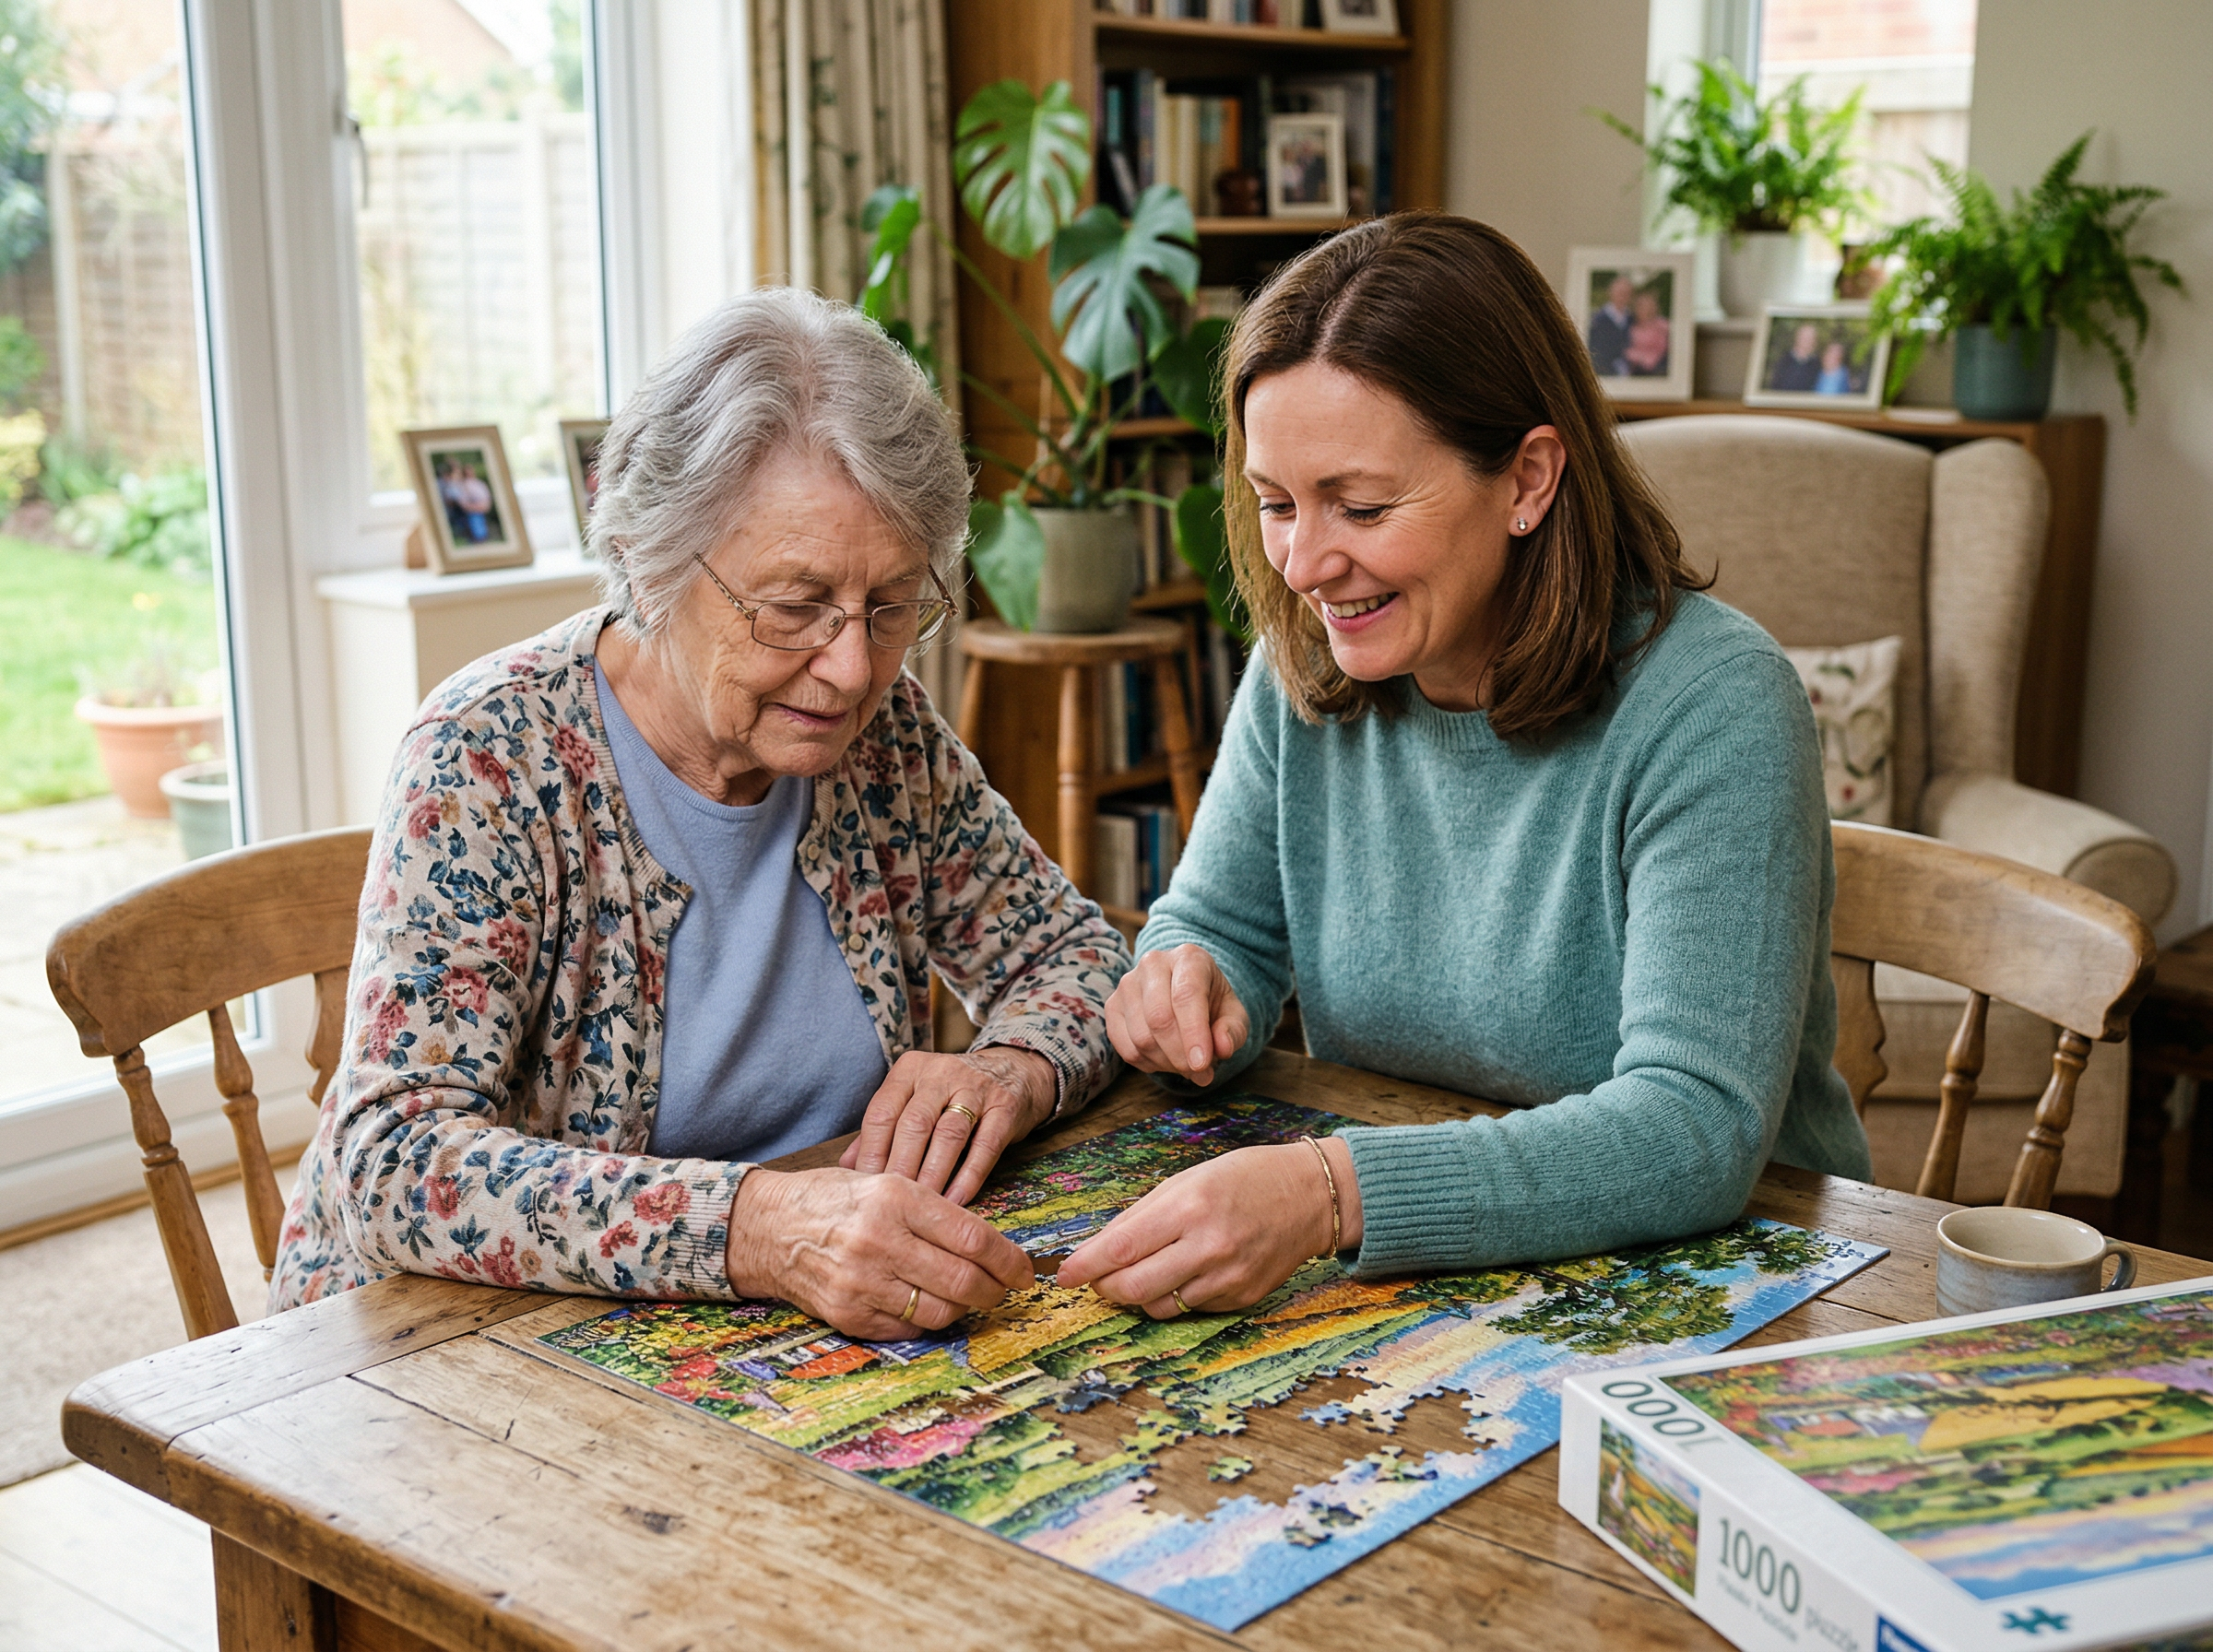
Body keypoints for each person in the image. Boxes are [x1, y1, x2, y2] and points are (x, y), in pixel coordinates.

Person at [273, 288, 1131, 1339]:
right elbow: (392, 1162)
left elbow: (1080, 959)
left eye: (893, 605)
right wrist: (756, 1226)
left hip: (777, 1340)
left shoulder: (884, 736)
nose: (853, 666)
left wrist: (1009, 1071)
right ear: (647, 557)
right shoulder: (488, 756)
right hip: (455, 1356)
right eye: (793, 607)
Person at [1056, 214, 1871, 1320]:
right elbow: (1220, 931)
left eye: (1363, 505)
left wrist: (1328, 1193)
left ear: (1528, 479)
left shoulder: (1717, 701)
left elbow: (1694, 1128)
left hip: (1741, 1276)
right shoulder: (1303, 660)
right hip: (1424, 1279)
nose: (1303, 563)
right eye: (1276, 502)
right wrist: (1188, 989)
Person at [1585, 274, 1634, 377]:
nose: (1623, 296)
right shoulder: (1597, 320)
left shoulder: (1632, 319)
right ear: (1611, 292)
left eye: (1626, 293)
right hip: (1606, 373)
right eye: (1620, 292)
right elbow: (1595, 353)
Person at [1623, 287, 1670, 376]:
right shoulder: (1631, 326)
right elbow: (1626, 351)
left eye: (1647, 306)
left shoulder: (1663, 326)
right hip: (1635, 369)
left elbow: (1661, 350)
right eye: (1639, 306)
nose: (1643, 310)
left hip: (1655, 369)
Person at [1768, 323, 1824, 393]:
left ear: (1815, 341)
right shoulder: (1784, 361)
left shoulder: (1818, 364)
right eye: (1804, 337)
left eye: (1811, 338)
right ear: (1797, 338)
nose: (1807, 341)